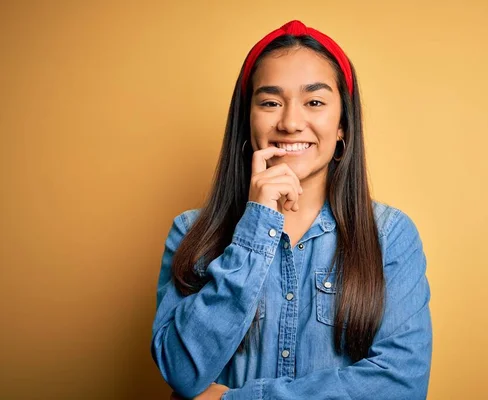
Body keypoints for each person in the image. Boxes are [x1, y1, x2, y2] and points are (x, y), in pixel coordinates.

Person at [151, 20, 432, 400]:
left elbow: (401, 384)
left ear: (342, 126)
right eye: (270, 102)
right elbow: (181, 371)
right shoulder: (191, 232)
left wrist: (235, 399)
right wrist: (256, 226)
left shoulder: (390, 236)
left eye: (314, 102)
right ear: (247, 121)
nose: (290, 123)